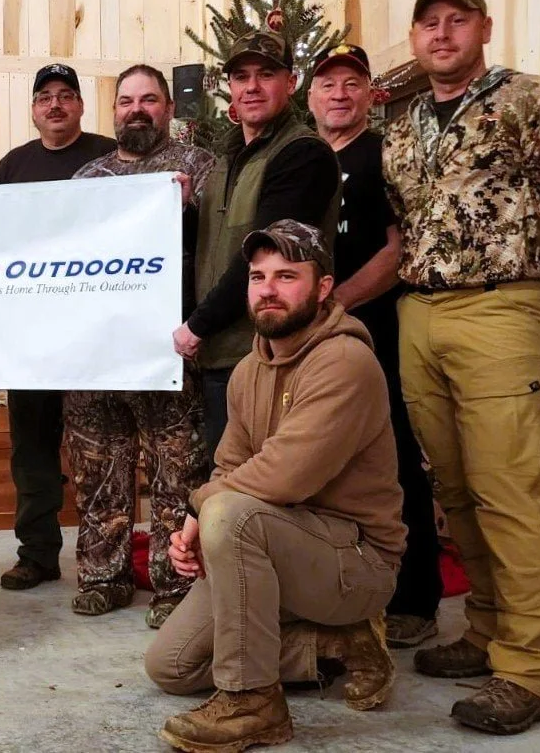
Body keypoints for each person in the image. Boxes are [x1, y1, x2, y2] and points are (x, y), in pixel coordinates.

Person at [382, 0, 540, 735]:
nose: (441, 34)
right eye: (427, 24)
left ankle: (528, 667)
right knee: (456, 488)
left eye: (455, 21)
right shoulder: (403, 130)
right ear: (414, 40)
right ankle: (486, 627)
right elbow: (403, 220)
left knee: (507, 489)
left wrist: (537, 288)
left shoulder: (532, 101)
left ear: (483, 27)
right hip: (420, 311)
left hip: (499, 305)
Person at [147, 220, 404, 753]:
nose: (267, 289)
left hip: (354, 563)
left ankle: (252, 702)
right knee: (171, 666)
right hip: (273, 543)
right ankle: (336, 646)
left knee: (229, 515)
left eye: (287, 276)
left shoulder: (346, 361)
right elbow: (229, 467)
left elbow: (285, 476)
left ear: (324, 287)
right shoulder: (247, 371)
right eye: (258, 276)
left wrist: (199, 513)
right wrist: (205, 514)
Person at [66, 64, 215, 628]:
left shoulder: (200, 169)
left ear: (169, 108)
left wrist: (190, 208)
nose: (137, 109)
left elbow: (221, 248)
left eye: (149, 99)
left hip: (170, 350)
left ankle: (174, 587)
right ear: (114, 112)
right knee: (98, 468)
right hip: (99, 353)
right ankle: (103, 576)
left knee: (176, 472)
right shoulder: (87, 179)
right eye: (127, 100)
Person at [307, 42, 443, 649]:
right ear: (310, 96)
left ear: (370, 93)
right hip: (308, 336)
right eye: (328, 83)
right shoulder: (302, 159)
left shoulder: (385, 155)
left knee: (393, 460)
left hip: (375, 330)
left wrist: (334, 305)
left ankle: (416, 598)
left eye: (351, 83)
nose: (339, 93)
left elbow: (397, 250)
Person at [174, 25, 341, 458]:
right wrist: (186, 210)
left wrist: (197, 326)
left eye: (265, 74)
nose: (251, 87)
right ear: (228, 87)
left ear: (290, 82)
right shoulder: (227, 159)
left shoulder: (302, 155)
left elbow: (266, 255)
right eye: (241, 76)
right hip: (224, 358)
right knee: (226, 486)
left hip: (274, 357)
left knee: (262, 495)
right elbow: (216, 246)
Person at [0, 63, 116, 591]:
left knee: (100, 451)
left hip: (99, 335)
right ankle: (37, 554)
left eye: (67, 95)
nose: (56, 105)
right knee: (33, 451)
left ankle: (102, 558)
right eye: (46, 97)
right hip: (30, 339)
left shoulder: (112, 158)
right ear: (34, 109)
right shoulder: (10, 168)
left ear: (82, 106)